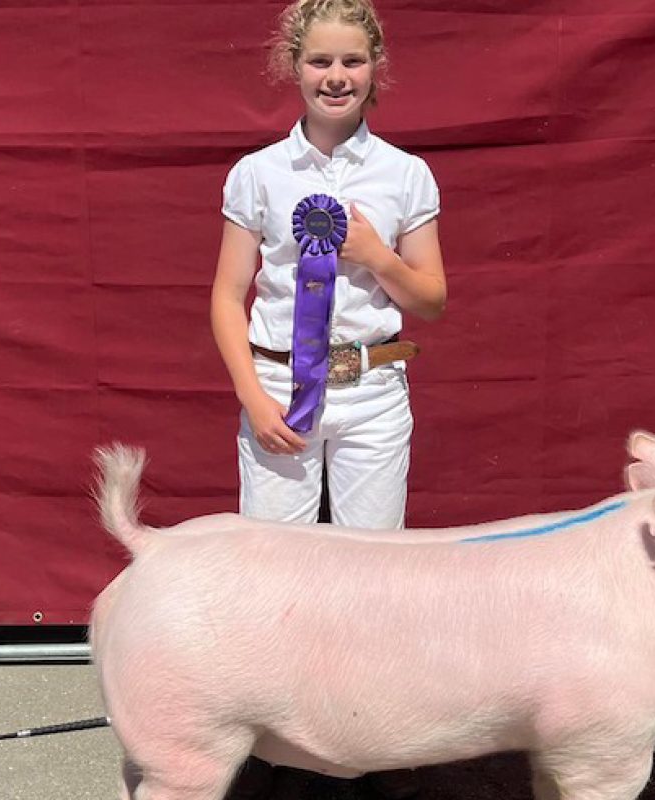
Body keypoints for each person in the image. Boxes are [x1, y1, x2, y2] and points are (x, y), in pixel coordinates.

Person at [209, 0, 446, 797]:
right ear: (293, 68)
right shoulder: (258, 174)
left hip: (372, 390)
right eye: (319, 62)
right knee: (274, 577)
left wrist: (374, 250)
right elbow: (227, 294)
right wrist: (252, 394)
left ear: (376, 68)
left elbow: (433, 300)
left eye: (351, 62)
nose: (335, 77)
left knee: (370, 578)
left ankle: (363, 747)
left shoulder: (406, 174)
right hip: (279, 387)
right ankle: (280, 751)